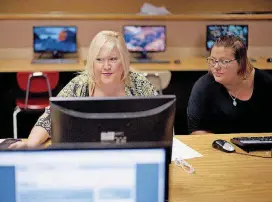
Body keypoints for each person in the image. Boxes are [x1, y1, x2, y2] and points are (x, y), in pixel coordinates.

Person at [10, 30, 158, 149]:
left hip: (131, 153)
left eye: (113, 59)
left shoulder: (139, 83)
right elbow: (49, 118)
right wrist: (30, 144)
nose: (106, 66)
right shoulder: (79, 84)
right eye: (99, 59)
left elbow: (160, 119)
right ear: (92, 62)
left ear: (124, 60)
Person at [187, 35, 272, 134]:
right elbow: (196, 131)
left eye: (224, 61)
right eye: (213, 60)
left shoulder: (267, 83)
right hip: (220, 147)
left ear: (241, 62)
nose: (216, 67)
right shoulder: (204, 86)